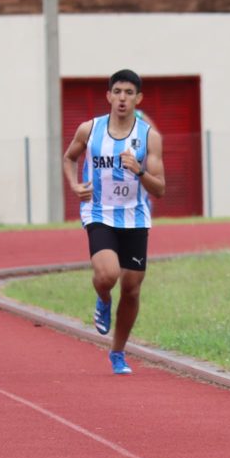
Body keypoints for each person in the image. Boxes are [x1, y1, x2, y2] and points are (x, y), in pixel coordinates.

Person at [62, 69, 166, 375]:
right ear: (108, 96)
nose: (122, 98)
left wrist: (139, 170)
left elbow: (159, 188)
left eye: (129, 93)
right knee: (107, 274)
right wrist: (74, 185)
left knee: (132, 288)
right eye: (117, 91)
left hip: (134, 216)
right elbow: (69, 158)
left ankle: (118, 352)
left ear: (138, 98)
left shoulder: (149, 136)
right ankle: (103, 298)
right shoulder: (89, 130)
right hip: (98, 213)